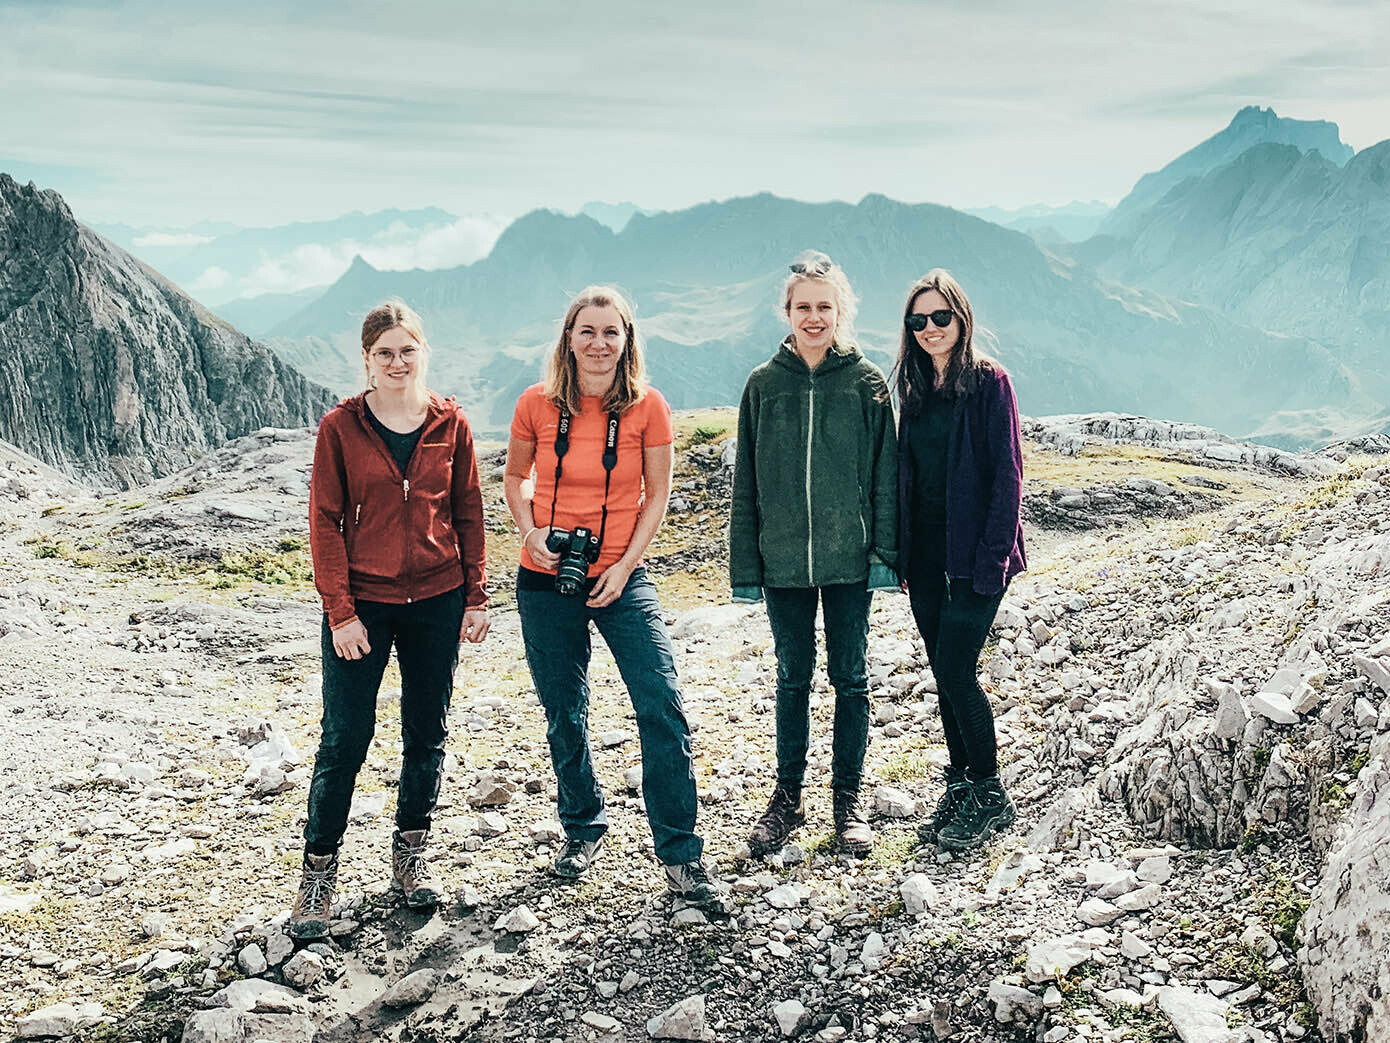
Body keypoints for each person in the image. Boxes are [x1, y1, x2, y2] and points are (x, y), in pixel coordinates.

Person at [503, 285, 724, 911]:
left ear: (627, 341)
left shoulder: (649, 407)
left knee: (661, 700)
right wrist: (530, 532)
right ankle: (582, 828)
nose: (599, 344)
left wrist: (626, 565)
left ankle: (682, 854)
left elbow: (656, 495)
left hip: (623, 576)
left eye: (611, 333)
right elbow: (515, 477)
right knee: (564, 709)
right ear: (568, 339)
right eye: (587, 332)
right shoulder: (535, 405)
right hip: (545, 576)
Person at [291, 299, 490, 939]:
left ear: (422, 352)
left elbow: (468, 514)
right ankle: (318, 875)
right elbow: (325, 521)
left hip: (436, 599)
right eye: (385, 353)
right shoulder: (340, 428)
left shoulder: (450, 424)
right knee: (345, 738)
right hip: (365, 609)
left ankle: (410, 859)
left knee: (425, 732)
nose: (398, 362)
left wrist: (476, 596)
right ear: (367, 361)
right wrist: (341, 613)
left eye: (408, 350)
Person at [730, 250, 898, 858]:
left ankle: (848, 804)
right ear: (788, 311)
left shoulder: (867, 383)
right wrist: (746, 566)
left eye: (825, 307)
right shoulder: (763, 385)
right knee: (792, 679)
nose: (814, 317)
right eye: (804, 306)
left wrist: (884, 554)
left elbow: (885, 476)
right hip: (783, 565)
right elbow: (744, 481)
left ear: (841, 311)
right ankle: (787, 799)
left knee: (852, 680)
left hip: (850, 561)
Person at [892, 269, 1025, 852]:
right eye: (917, 320)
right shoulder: (915, 389)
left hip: (975, 560)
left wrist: (994, 559)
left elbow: (1007, 476)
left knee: (955, 670)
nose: (929, 328)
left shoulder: (990, 383)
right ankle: (960, 779)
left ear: (961, 318)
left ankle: (991, 791)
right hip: (924, 559)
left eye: (939, 317)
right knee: (942, 672)